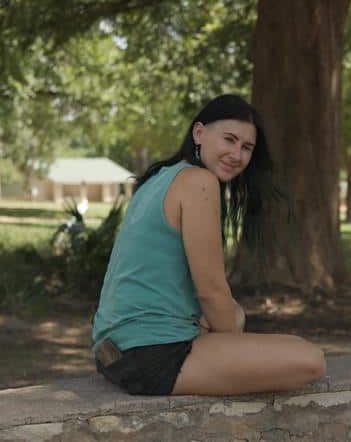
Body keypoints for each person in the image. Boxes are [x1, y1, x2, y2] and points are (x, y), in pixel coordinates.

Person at [92, 94, 326, 396]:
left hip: (113, 348)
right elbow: (211, 291)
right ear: (199, 133)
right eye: (229, 139)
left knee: (237, 314)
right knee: (309, 360)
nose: (237, 154)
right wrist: (234, 346)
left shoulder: (158, 179)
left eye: (246, 147)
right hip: (151, 354)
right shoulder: (199, 182)